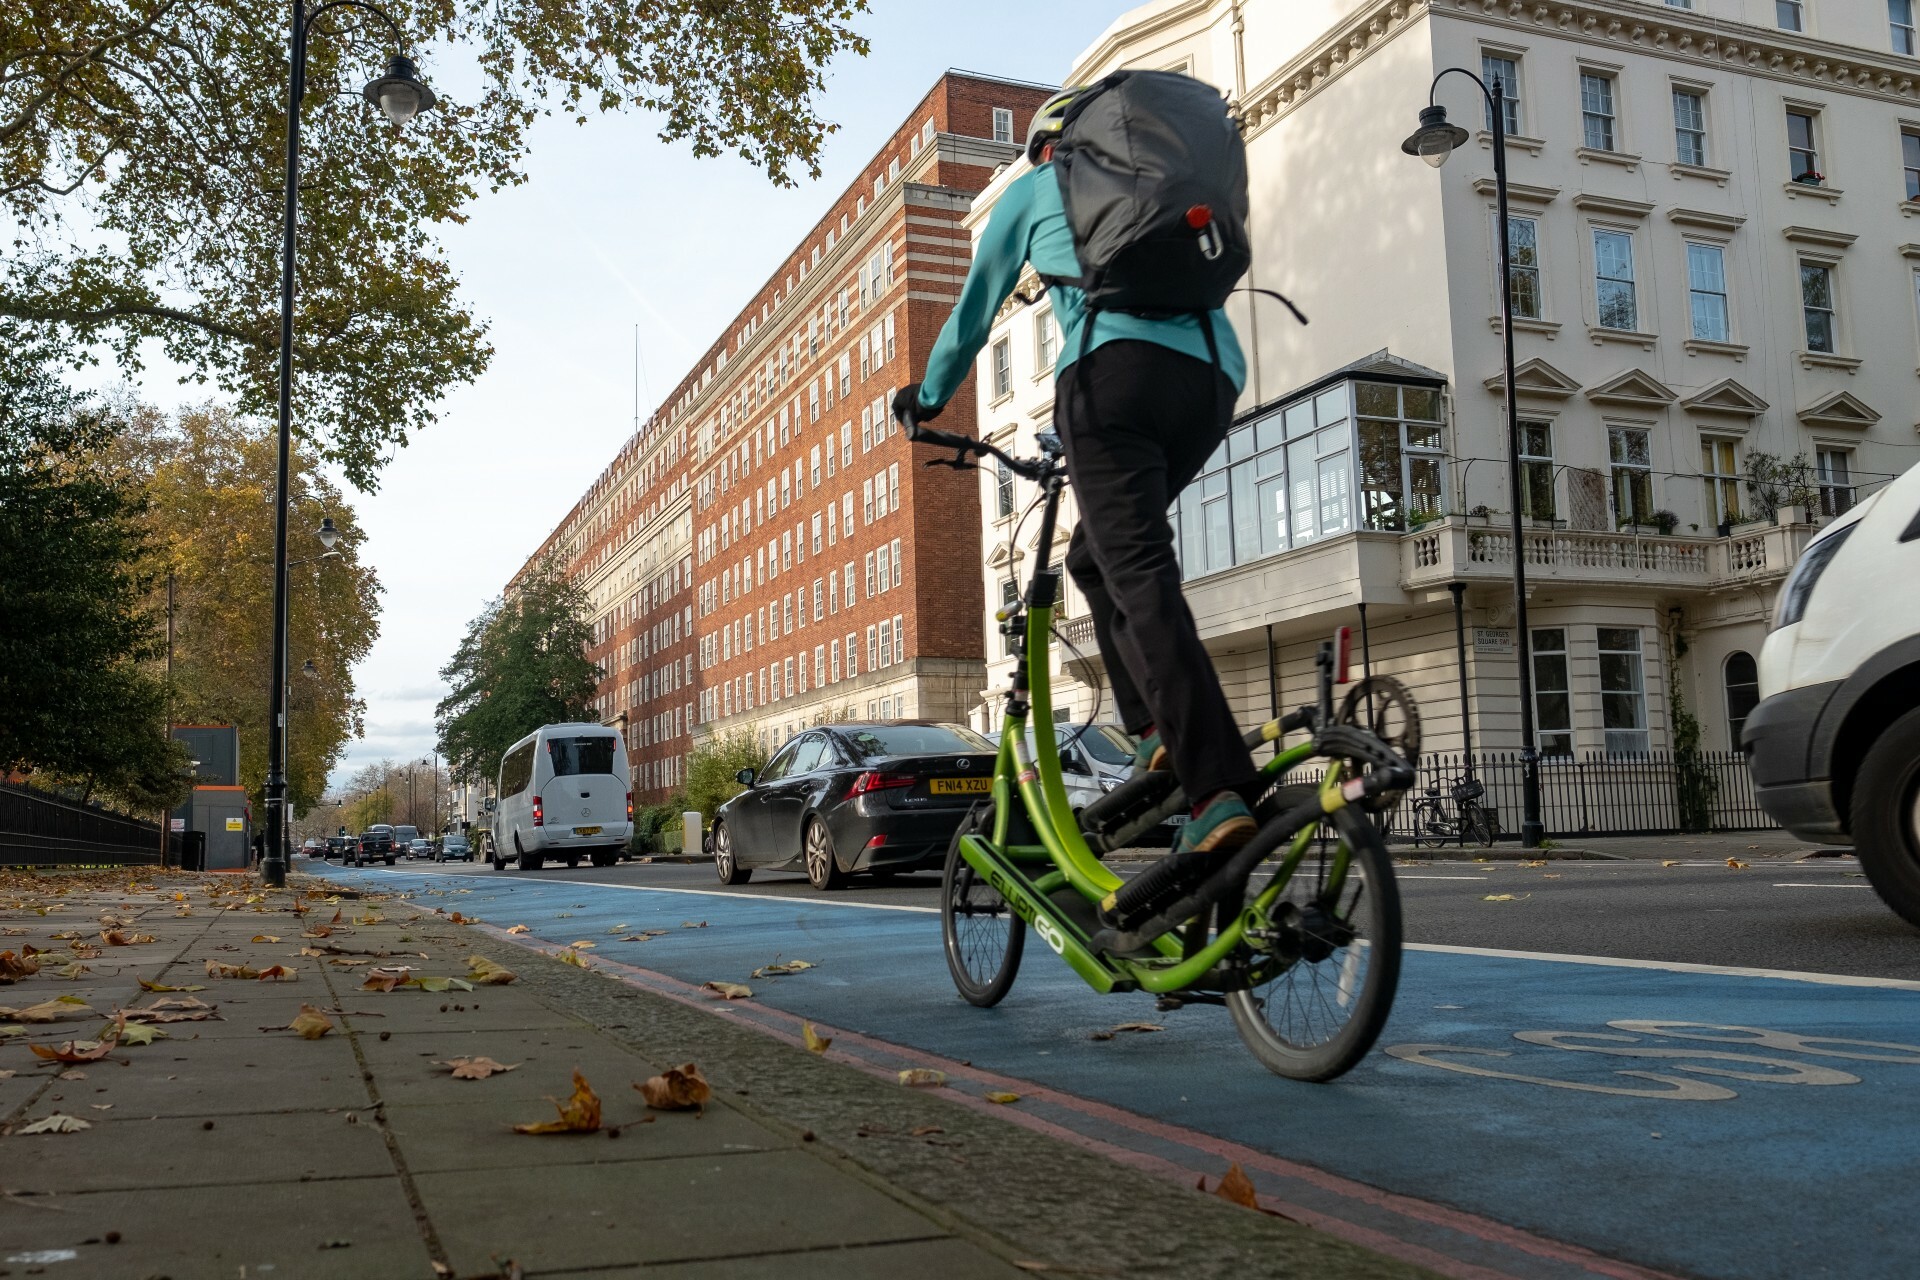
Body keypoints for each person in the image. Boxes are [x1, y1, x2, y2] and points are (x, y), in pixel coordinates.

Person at [894, 88, 1262, 891]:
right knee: (1098, 559)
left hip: (1112, 379)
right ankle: (1155, 732)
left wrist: (923, 400)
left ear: (1042, 148)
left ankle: (1213, 786)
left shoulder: (1034, 190)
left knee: (1137, 570)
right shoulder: (1160, 181)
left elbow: (970, 314)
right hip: (1213, 376)